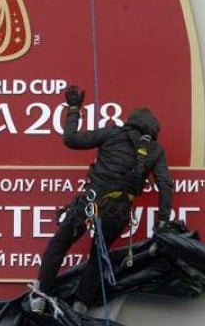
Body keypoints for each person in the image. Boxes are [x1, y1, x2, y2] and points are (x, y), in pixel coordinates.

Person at [33, 84, 174, 313]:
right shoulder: (156, 151)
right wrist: (164, 221)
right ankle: (82, 303)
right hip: (118, 212)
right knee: (99, 254)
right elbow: (165, 185)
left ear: (131, 122)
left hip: (89, 203)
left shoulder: (113, 132)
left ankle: (41, 298)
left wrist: (74, 109)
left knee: (59, 244)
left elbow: (71, 139)